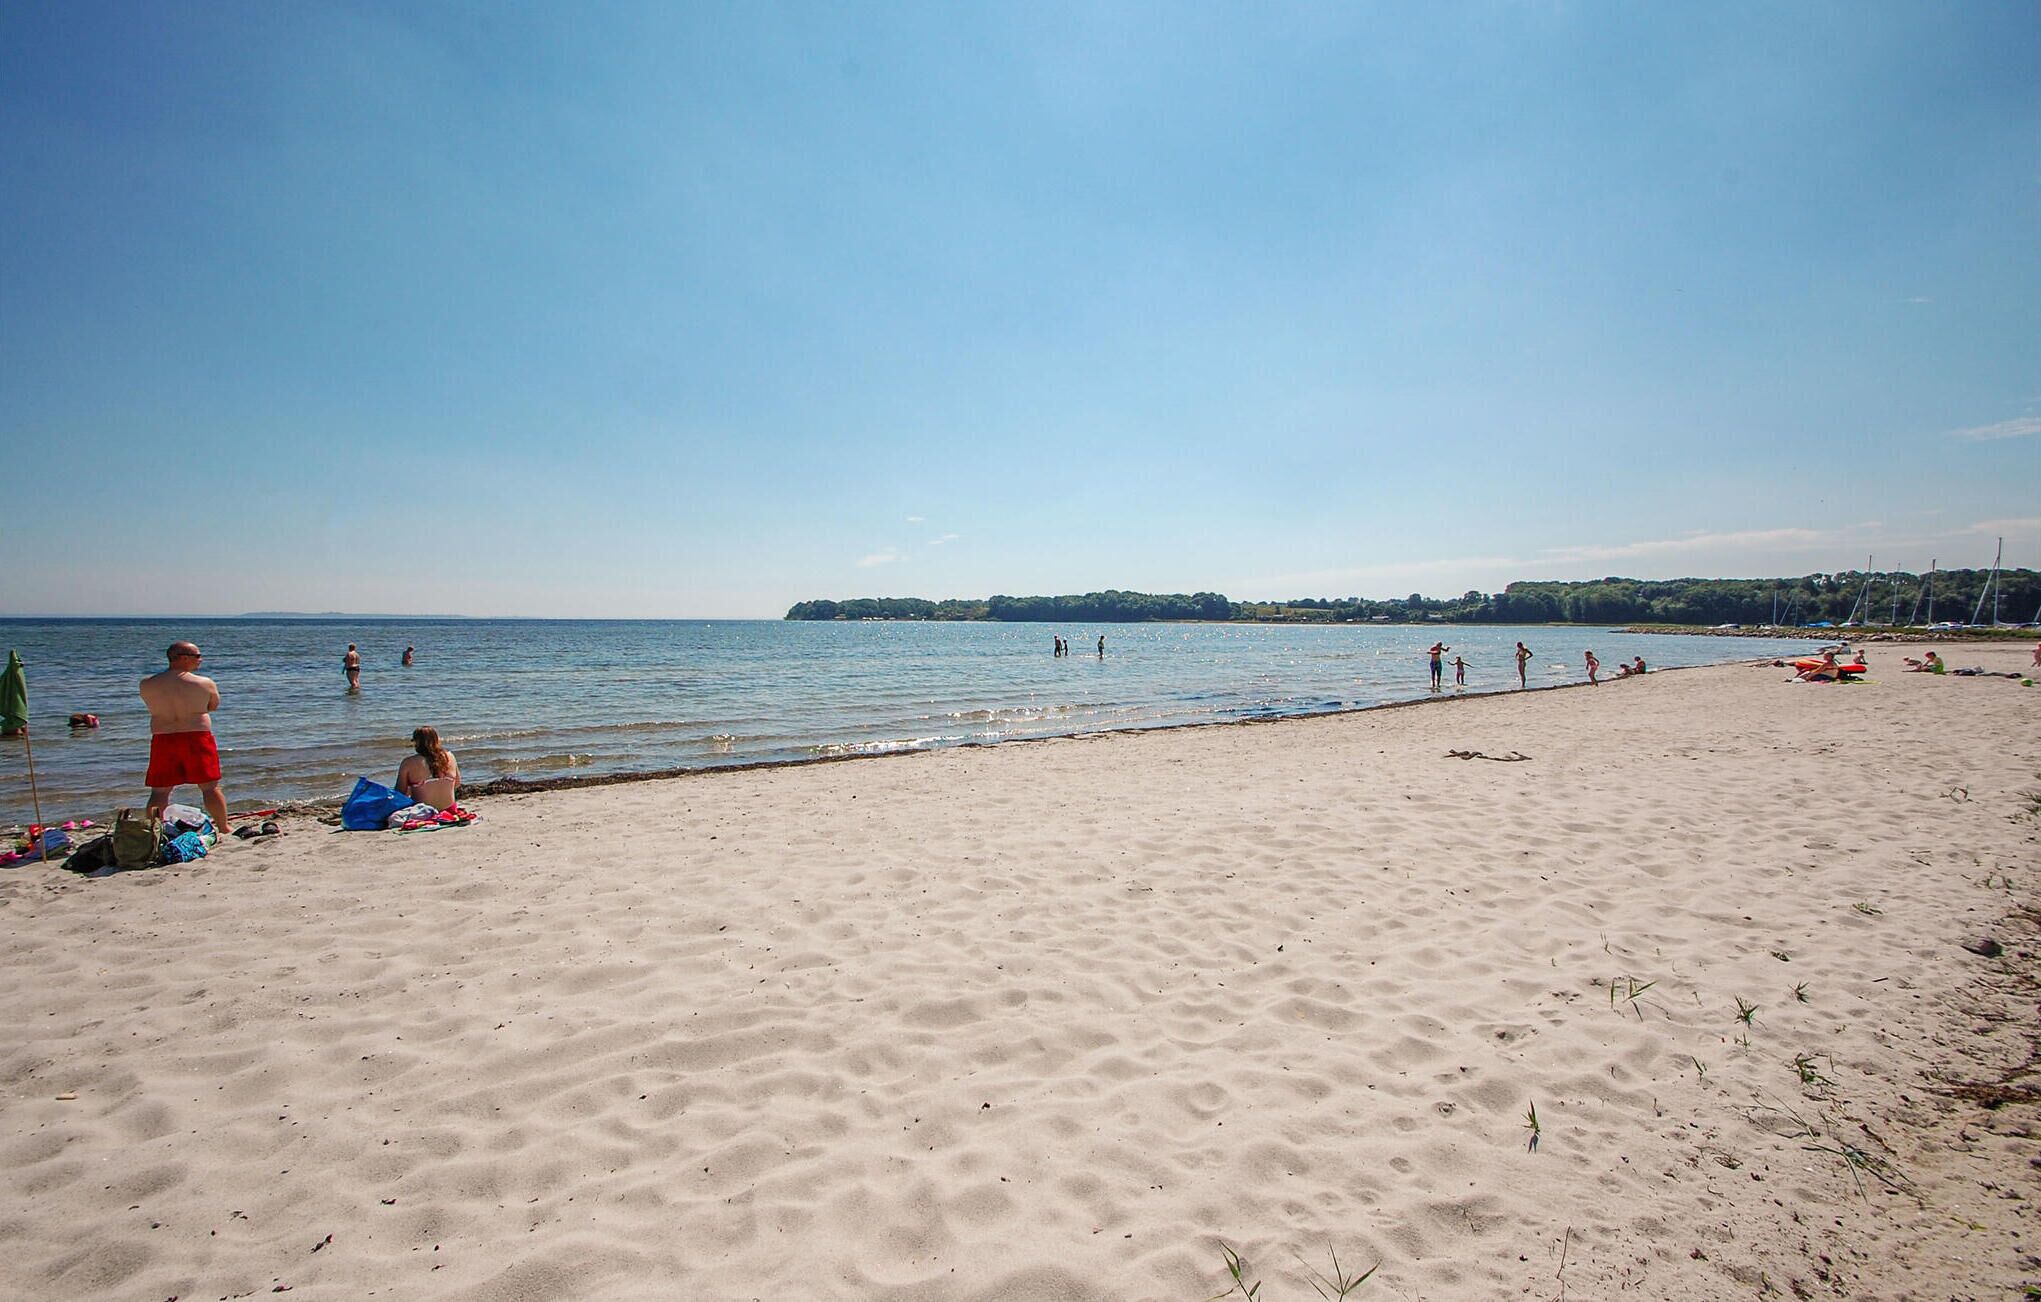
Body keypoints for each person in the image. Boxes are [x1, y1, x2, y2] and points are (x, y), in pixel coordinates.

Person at [140, 641, 230, 833]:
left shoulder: (148, 684)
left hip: (163, 736)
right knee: (210, 786)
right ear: (183, 658)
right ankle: (223, 826)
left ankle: (154, 830)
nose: (201, 659)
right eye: (197, 656)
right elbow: (212, 706)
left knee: (160, 789)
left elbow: (152, 705)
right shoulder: (203, 683)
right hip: (196, 737)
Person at [395, 726, 460, 811]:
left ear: (416, 742)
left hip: (423, 812)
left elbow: (400, 792)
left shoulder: (408, 762)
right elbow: (457, 783)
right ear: (436, 740)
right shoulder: (450, 757)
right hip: (449, 809)